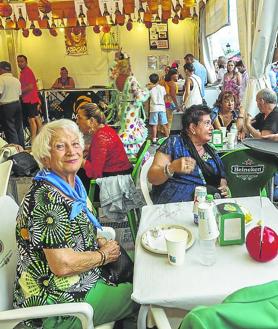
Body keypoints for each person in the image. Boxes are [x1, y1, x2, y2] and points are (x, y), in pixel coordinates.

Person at [13, 119, 138, 329]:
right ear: (46, 157)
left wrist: (96, 240)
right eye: (60, 146)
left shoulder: (72, 184)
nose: (71, 151)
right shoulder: (47, 198)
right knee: (141, 294)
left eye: (76, 144)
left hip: (83, 279)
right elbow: (62, 265)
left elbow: (77, 229)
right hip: (59, 301)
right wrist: (104, 255)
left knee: (143, 264)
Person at [148, 105, 229, 204]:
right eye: (207, 123)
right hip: (175, 206)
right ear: (192, 128)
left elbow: (221, 177)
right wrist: (172, 167)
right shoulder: (174, 143)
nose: (212, 128)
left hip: (205, 205)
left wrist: (223, 186)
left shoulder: (211, 150)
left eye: (211, 123)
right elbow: (152, 178)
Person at [76, 103, 133, 192]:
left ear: (91, 121)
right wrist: (88, 149)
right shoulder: (105, 130)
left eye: (79, 118)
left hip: (113, 184)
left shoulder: (101, 137)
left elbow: (95, 172)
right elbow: (101, 151)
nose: (77, 121)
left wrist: (80, 160)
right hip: (117, 175)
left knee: (74, 177)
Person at [111, 53, 149, 156]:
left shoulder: (116, 79)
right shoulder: (131, 79)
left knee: (125, 129)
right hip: (131, 109)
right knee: (130, 131)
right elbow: (138, 96)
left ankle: (122, 154)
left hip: (122, 108)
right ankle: (132, 155)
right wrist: (146, 91)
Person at [17, 54, 42, 142]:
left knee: (32, 120)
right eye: (18, 62)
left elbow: (30, 87)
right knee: (36, 118)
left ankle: (34, 140)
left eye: (22, 61)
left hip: (29, 99)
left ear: (26, 62)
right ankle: (40, 138)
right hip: (31, 98)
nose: (19, 63)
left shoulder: (27, 71)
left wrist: (19, 92)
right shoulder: (24, 72)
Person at [0, 61, 25, 147]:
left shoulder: (1, 79)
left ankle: (15, 150)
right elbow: (20, 94)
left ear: (1, 69)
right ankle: (22, 148)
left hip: (6, 106)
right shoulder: (16, 80)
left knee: (10, 129)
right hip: (17, 104)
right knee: (19, 128)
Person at [148, 73, 169, 143]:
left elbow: (148, 96)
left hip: (154, 108)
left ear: (150, 80)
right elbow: (165, 97)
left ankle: (154, 139)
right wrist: (167, 105)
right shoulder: (162, 88)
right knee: (164, 123)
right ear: (158, 80)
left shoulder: (150, 89)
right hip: (162, 107)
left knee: (154, 124)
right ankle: (167, 137)